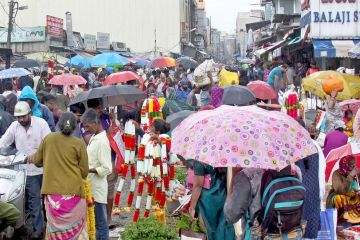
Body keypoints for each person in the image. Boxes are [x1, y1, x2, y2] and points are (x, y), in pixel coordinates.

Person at [31, 112, 89, 239]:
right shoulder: (79, 143)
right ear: (75, 127)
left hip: (52, 196)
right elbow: (84, 172)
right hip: (74, 194)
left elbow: (36, 161)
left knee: (55, 233)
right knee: (76, 235)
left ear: (59, 124)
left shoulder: (48, 139)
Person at [0, 101, 51, 239]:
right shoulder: (14, 126)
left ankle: (46, 227)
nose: (21, 119)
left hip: (43, 169)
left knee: (46, 201)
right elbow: (3, 142)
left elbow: (50, 143)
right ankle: (37, 230)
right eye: (18, 117)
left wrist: (38, 155)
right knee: (32, 201)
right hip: (25, 171)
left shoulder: (41, 124)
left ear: (30, 113)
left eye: (24, 116)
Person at [81, 109, 112, 240]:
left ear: (96, 123)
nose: (86, 129)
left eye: (88, 126)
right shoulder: (94, 137)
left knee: (101, 225)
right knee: (94, 223)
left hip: (98, 190)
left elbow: (107, 168)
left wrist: (88, 169)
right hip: (91, 187)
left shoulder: (102, 141)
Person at [189, 161, 235, 240]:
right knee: (223, 226)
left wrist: (192, 207)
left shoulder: (200, 161)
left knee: (212, 228)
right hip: (221, 194)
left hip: (208, 200)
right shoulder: (221, 157)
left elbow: (198, 185)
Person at [326, 156, 360, 224]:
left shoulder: (356, 171)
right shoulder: (336, 174)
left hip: (354, 194)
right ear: (345, 165)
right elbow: (341, 190)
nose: (353, 166)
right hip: (338, 194)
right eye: (351, 164)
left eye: (354, 164)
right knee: (341, 199)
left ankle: (357, 220)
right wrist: (350, 176)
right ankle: (344, 221)